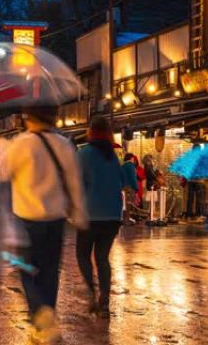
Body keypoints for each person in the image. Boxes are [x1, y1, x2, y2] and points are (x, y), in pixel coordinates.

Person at [0, 106, 87, 344]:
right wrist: (78, 212)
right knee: (49, 272)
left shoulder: (21, 143)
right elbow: (74, 181)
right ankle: (46, 320)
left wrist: (2, 150)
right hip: (56, 220)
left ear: (28, 118)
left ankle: (41, 314)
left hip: (27, 219)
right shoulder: (64, 144)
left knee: (27, 270)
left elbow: (3, 173)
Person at [77, 118, 126, 318]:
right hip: (113, 216)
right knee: (102, 258)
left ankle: (91, 292)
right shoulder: (113, 156)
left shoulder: (84, 154)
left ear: (91, 132)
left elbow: (75, 182)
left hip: (91, 215)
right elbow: (121, 181)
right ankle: (104, 302)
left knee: (82, 255)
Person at [121, 153, 139, 224]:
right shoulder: (131, 166)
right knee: (129, 204)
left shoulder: (123, 166)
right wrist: (136, 187)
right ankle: (127, 220)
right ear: (131, 158)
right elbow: (133, 177)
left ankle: (124, 219)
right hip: (129, 187)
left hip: (123, 187)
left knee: (124, 205)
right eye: (133, 158)